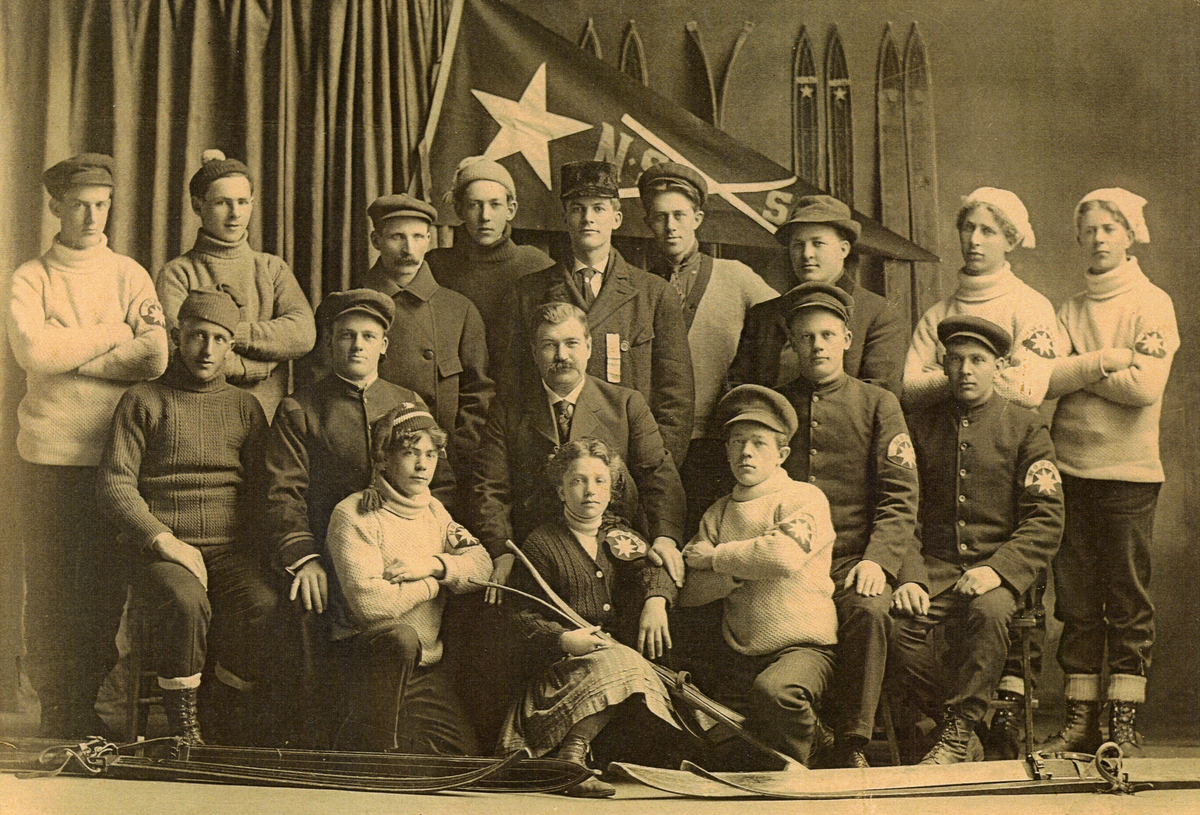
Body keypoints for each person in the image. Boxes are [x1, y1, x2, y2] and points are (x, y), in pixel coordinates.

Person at [7, 153, 169, 738]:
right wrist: (113, 335)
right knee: (50, 588)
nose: (92, 215)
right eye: (79, 204)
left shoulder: (129, 274)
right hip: (47, 460)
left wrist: (71, 354)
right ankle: (58, 710)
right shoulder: (31, 277)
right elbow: (34, 355)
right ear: (55, 206)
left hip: (114, 462)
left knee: (104, 590)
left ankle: (91, 706)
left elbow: (155, 356)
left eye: (101, 204)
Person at [99, 288, 278, 746]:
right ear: (178, 336)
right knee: (186, 601)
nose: (207, 349)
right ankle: (183, 728)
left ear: (231, 346)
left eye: (220, 339)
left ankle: (222, 709)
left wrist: (260, 554)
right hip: (163, 551)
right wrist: (165, 541)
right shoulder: (143, 399)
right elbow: (115, 483)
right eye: (198, 336)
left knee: (264, 604)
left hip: (228, 551)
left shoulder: (245, 407)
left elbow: (262, 491)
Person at [1039, 189, 1178, 757]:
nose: (1097, 239)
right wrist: (1103, 361)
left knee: (1124, 596)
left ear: (1130, 235)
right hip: (1069, 469)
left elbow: (1144, 387)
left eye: (1109, 229)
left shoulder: (1153, 303)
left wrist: (1076, 368)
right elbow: (1043, 380)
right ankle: (1080, 718)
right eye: (1089, 229)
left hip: (1128, 473)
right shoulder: (1068, 308)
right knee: (1073, 598)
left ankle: (1121, 720)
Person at [888, 316, 1063, 765]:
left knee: (990, 613)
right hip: (936, 568)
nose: (965, 369)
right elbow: (904, 511)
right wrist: (910, 575)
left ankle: (957, 733)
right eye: (956, 359)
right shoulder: (921, 424)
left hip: (998, 571)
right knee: (897, 629)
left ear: (999, 366)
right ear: (944, 365)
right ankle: (964, 723)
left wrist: (997, 570)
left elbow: (1045, 517)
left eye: (978, 360)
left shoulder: (1025, 426)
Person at [774, 282, 920, 768]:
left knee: (871, 612)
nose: (817, 345)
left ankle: (853, 743)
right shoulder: (776, 407)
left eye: (827, 335)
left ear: (847, 340)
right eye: (806, 337)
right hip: (790, 561)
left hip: (854, 558)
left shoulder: (879, 404)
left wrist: (879, 560)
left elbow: (900, 496)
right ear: (792, 345)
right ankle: (796, 733)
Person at [499, 438, 679, 798]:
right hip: (563, 672)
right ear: (561, 490)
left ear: (611, 490)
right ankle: (572, 757)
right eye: (578, 481)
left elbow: (652, 571)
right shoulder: (542, 543)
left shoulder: (620, 535)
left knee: (634, 666)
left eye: (599, 481)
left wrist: (656, 601)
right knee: (628, 662)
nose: (590, 491)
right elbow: (519, 615)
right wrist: (563, 639)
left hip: (619, 667)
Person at [264, 289, 454, 621]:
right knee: (305, 611)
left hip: (408, 555)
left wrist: (427, 555)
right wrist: (306, 558)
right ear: (330, 342)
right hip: (328, 555)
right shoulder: (300, 408)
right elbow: (283, 493)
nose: (357, 345)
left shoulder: (409, 403)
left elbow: (440, 483)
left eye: (368, 336)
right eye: (346, 336)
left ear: (383, 346)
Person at [474, 302, 686, 590]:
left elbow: (659, 476)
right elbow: (491, 488)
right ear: (535, 354)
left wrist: (665, 537)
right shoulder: (509, 409)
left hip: (611, 549)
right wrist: (502, 549)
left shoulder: (625, 405)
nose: (562, 356)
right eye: (549, 346)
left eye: (571, 343)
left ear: (588, 346)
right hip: (537, 553)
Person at [678, 385, 837, 768]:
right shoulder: (717, 513)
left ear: (782, 454)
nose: (745, 452)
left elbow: (781, 556)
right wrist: (736, 574)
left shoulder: (803, 498)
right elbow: (690, 592)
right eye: (736, 442)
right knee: (697, 715)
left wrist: (717, 557)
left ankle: (812, 753)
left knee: (776, 693)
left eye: (758, 443)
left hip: (804, 648)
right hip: (742, 654)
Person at [498, 160, 694, 470]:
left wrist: (655, 468)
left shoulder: (653, 294)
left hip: (629, 463)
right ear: (565, 219)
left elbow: (676, 400)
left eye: (599, 208)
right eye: (577, 208)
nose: (588, 218)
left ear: (616, 218)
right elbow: (512, 389)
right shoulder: (529, 292)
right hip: (553, 464)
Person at [325, 405, 491, 754]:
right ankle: (370, 749)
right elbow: (373, 606)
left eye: (430, 454)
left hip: (420, 670)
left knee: (462, 754)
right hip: (366, 663)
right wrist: (432, 586)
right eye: (410, 453)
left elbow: (481, 565)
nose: (422, 465)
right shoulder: (354, 514)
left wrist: (432, 565)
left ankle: (387, 748)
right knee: (401, 636)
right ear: (383, 459)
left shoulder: (434, 511)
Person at [638, 162, 777, 537]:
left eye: (679, 215)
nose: (670, 226)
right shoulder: (635, 283)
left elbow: (787, 330)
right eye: (660, 217)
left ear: (697, 218)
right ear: (647, 222)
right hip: (651, 439)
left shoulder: (736, 276)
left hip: (714, 442)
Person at [155, 149, 315, 418]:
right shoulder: (176, 273)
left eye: (243, 202)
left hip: (268, 416)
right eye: (222, 203)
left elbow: (303, 334)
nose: (235, 214)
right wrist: (259, 368)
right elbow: (181, 351)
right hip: (199, 414)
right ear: (197, 206)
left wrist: (231, 334)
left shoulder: (271, 268)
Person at [360, 193, 493, 478]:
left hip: (439, 466)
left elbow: (478, 393)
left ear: (430, 240)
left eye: (418, 237)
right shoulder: (350, 306)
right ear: (376, 240)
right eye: (397, 237)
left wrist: (451, 454)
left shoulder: (459, 309)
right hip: (368, 463)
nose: (409, 248)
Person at [729, 194, 906, 397]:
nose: (806, 254)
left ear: (843, 249)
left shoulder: (878, 314)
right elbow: (739, 389)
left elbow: (879, 395)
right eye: (798, 245)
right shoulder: (762, 315)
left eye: (818, 243)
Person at [903, 187, 1057, 412]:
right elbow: (908, 391)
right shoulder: (936, 314)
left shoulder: (1032, 306)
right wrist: (989, 375)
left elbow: (1027, 390)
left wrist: (945, 375)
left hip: (1008, 438)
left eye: (987, 231)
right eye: (968, 228)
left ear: (1010, 241)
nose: (974, 240)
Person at [426, 156, 554, 362]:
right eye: (475, 205)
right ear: (459, 210)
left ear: (510, 210)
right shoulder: (436, 265)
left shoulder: (537, 264)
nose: (485, 216)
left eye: (495, 205)